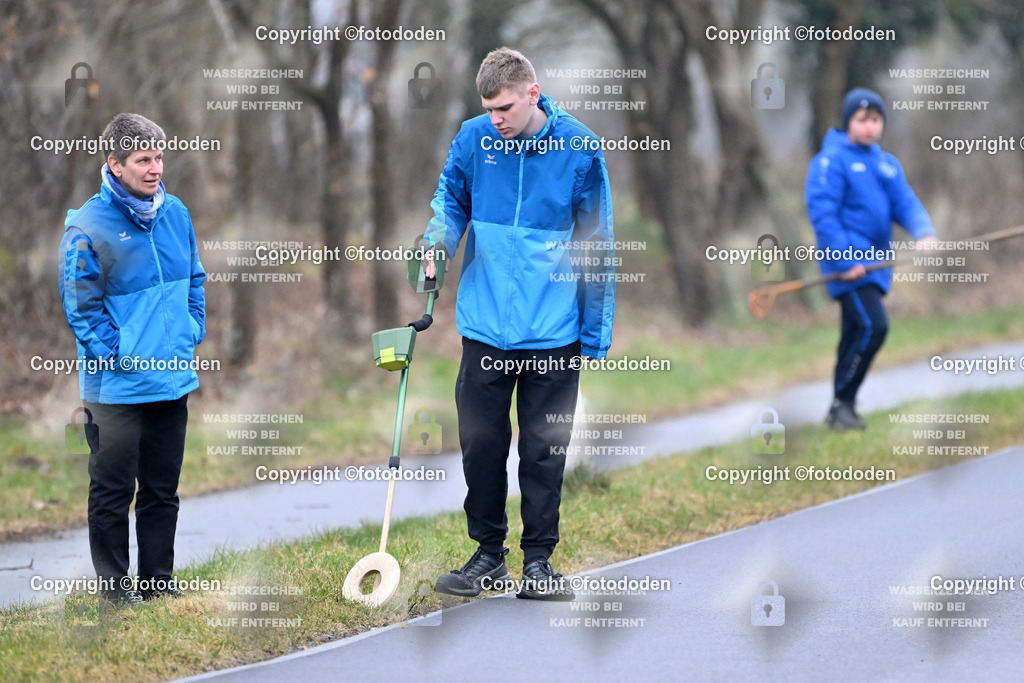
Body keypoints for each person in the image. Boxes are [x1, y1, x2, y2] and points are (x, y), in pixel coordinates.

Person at [423, 47, 615, 600]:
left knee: (543, 451)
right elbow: (450, 200)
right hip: (485, 327)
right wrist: (436, 242)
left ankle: (539, 563)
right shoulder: (473, 139)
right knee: (480, 445)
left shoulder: (580, 148)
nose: (496, 119)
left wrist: (594, 333)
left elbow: (597, 244)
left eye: (504, 107)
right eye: (488, 109)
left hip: (554, 331)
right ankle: (488, 556)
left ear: (533, 93)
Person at [58, 113, 206, 606]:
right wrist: (120, 357)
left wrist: (191, 330)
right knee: (112, 492)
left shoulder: (176, 213)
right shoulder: (87, 226)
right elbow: (81, 308)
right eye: (143, 159)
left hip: (172, 380)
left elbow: (195, 280)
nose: (155, 168)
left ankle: (157, 584)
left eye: (159, 157)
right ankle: (115, 593)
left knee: (162, 491)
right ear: (115, 164)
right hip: (115, 388)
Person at [806, 88, 937, 431]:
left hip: (876, 267)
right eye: (862, 119)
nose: (869, 126)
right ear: (848, 121)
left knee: (854, 333)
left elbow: (904, 202)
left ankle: (840, 409)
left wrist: (923, 232)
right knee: (873, 327)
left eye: (876, 119)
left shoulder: (886, 164)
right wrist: (844, 260)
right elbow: (823, 215)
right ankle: (844, 402)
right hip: (849, 269)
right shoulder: (830, 162)